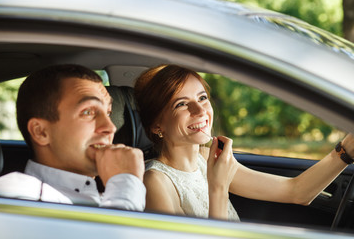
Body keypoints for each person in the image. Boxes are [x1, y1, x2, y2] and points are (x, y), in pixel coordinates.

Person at [134, 64, 354, 221]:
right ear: (156, 126)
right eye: (181, 104)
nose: (200, 111)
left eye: (202, 98)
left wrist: (345, 151)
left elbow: (296, 192)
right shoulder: (155, 182)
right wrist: (218, 187)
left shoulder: (204, 158)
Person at [0, 64, 145, 211]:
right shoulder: (13, 196)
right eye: (88, 112)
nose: (110, 127)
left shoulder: (107, 197)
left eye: (109, 113)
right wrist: (125, 183)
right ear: (41, 132)